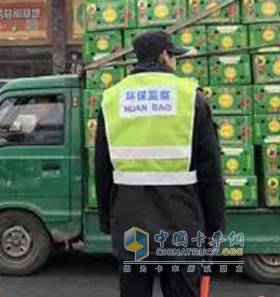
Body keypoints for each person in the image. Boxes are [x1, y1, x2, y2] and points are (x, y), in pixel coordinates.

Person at [95, 31, 225, 297]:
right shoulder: (191, 98)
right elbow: (210, 169)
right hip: (181, 223)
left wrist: (107, 220)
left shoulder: (112, 99)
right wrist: (214, 227)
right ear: (163, 56)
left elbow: (102, 168)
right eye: (173, 56)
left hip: (131, 223)